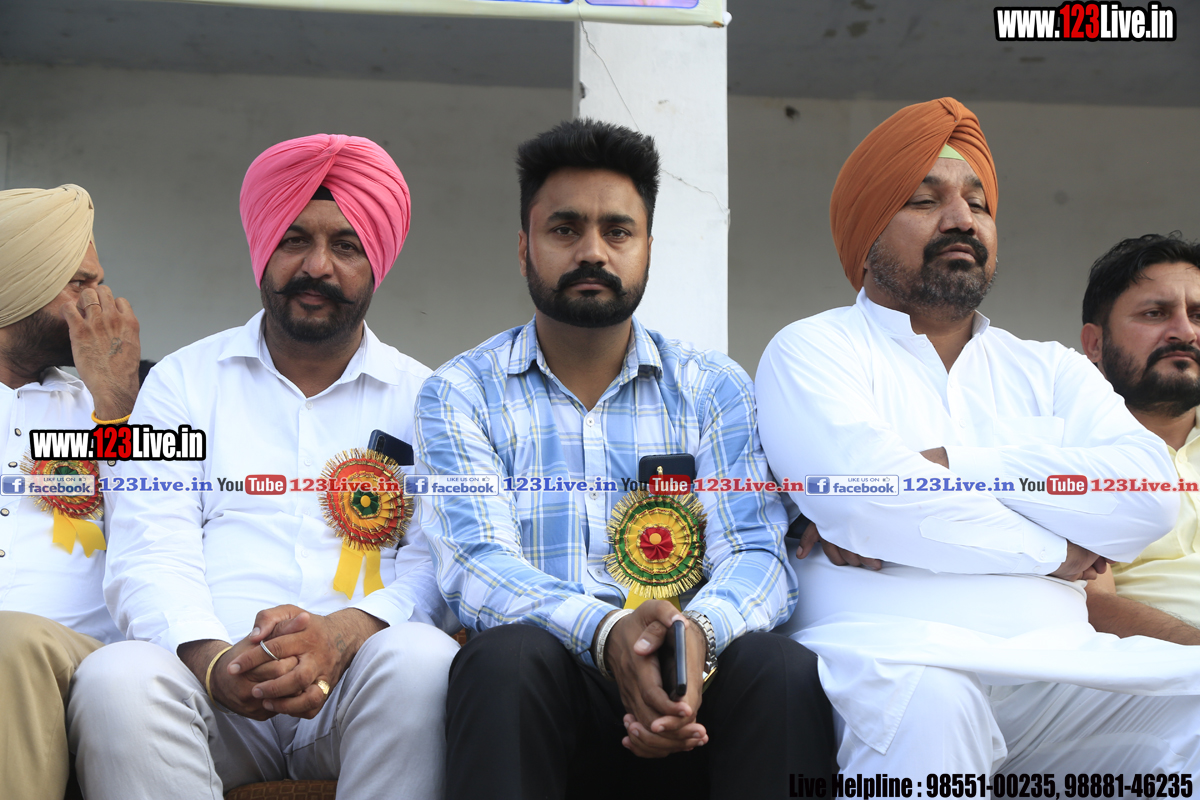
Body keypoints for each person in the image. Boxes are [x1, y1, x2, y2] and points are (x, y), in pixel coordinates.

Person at [756, 98, 1200, 775]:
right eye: (924, 199)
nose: (961, 218)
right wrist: (1055, 548)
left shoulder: (1048, 369)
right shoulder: (814, 350)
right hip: (900, 657)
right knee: (935, 708)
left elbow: (1147, 495)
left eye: (978, 203)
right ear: (867, 231)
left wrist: (956, 465)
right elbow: (867, 500)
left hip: (1063, 663)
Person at [416, 118, 833, 800]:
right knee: (504, 659)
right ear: (523, 248)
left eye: (617, 231)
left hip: (697, 690)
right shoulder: (461, 392)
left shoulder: (713, 386)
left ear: (647, 250)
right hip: (549, 692)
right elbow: (476, 563)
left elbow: (756, 552)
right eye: (564, 229)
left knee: (780, 667)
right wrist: (607, 632)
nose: (592, 252)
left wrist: (695, 636)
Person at [68, 134, 460, 799]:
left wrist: (340, 636)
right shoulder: (182, 384)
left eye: (346, 246)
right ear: (262, 246)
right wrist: (213, 659)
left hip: (356, 688)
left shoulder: (431, 401)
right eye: (294, 240)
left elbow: (438, 566)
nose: (317, 266)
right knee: (116, 677)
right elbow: (150, 545)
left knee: (423, 660)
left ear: (378, 260)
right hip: (213, 688)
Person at [0, 184, 141, 800]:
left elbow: (161, 512)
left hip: (77, 661)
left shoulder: (121, 399)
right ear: (17, 288)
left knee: (11, 641)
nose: (98, 302)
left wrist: (114, 399)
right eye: (79, 283)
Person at [1079, 233, 1200, 643]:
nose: (1185, 332)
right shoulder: (1073, 453)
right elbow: (1090, 603)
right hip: (1158, 669)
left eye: (1198, 315)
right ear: (1095, 343)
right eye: (1155, 313)